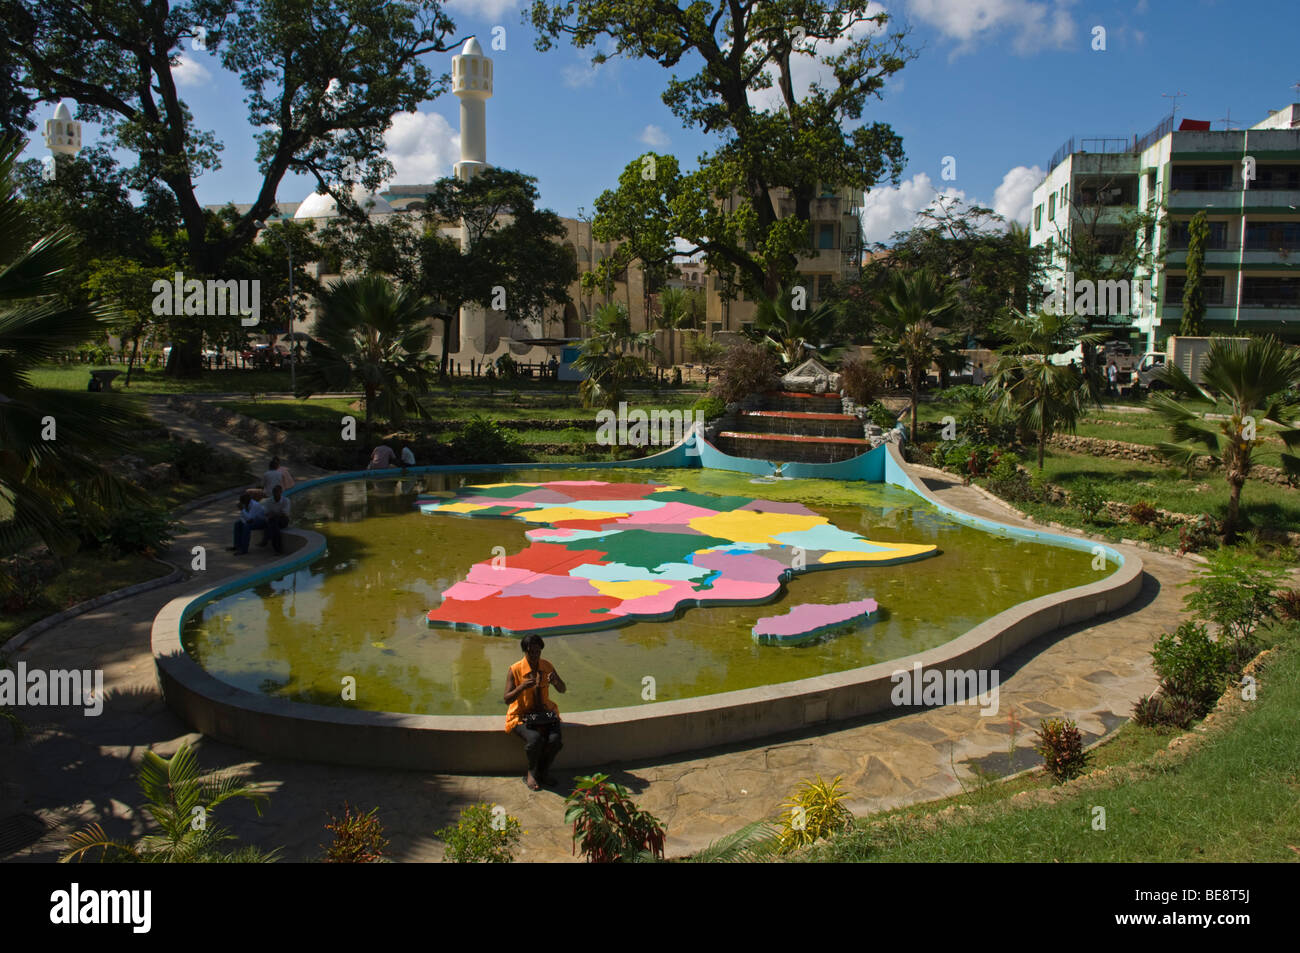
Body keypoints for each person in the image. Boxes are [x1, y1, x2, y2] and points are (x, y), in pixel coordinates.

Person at [504, 634, 566, 791]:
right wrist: (521, 687)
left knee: (555, 740)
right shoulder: (515, 669)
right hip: (521, 716)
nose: (534, 655)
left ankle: (543, 771)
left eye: (537, 652)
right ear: (525, 651)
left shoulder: (546, 666)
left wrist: (556, 682)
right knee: (535, 739)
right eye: (531, 652)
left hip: (545, 715)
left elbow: (562, 689)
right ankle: (531, 773)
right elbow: (507, 698)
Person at [259, 484, 292, 554]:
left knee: (273, 522)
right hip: (273, 520)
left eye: (277, 492)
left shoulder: (286, 500)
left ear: (281, 492)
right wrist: (275, 514)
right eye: (274, 492)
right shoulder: (269, 501)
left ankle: (266, 539)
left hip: (283, 520)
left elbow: (285, 513)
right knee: (274, 526)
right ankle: (277, 549)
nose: (276, 493)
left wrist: (274, 514)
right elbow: (266, 512)